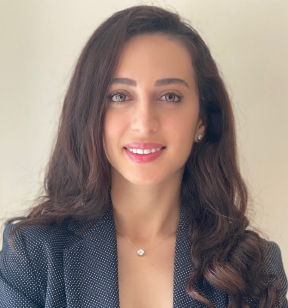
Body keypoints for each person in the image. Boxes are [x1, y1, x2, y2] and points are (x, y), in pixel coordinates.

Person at [0, 5, 287, 308]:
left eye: (170, 96)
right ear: (91, 114)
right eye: (120, 96)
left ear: (201, 120)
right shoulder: (32, 255)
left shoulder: (253, 266)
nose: (144, 122)